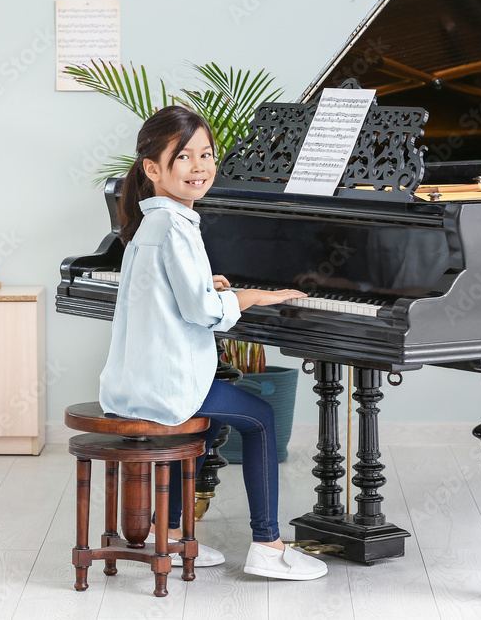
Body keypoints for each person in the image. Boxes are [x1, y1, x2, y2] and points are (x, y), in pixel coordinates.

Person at [98, 105, 328, 580]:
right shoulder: (177, 226)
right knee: (261, 419)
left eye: (207, 154)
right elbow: (200, 312)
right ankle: (268, 545)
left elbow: (175, 294)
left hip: (134, 381)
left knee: (203, 429)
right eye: (184, 157)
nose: (200, 167)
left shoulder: (150, 224)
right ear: (153, 169)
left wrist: (211, 285)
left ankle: (179, 536)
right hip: (168, 385)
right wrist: (252, 296)